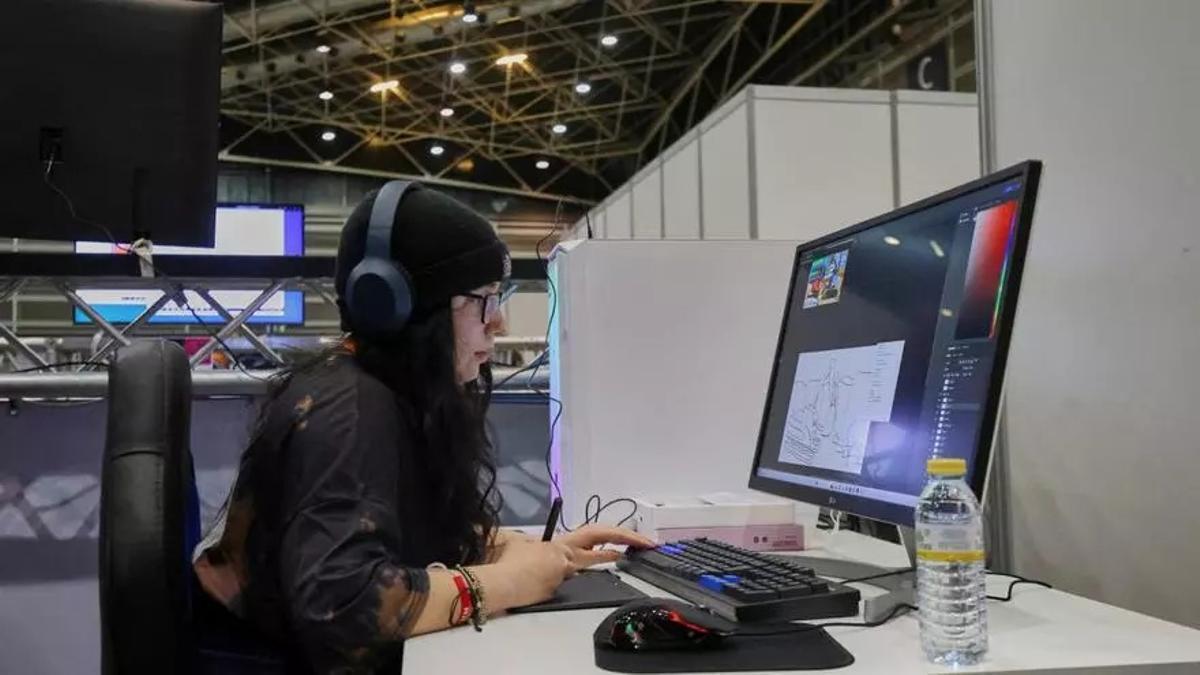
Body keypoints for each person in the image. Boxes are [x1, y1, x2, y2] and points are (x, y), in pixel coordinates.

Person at [193, 183, 653, 673]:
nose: (497, 323)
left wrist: (532, 554)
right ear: (400, 306)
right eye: (483, 300)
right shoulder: (349, 411)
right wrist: (509, 583)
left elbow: (391, 536)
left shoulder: (376, 391)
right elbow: (344, 609)